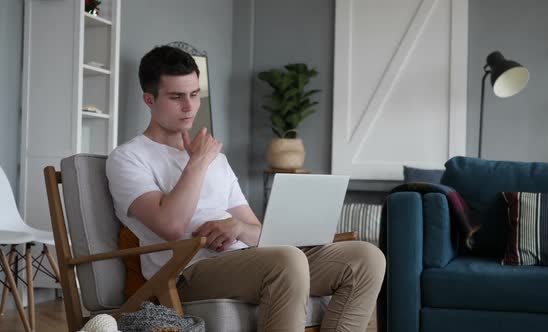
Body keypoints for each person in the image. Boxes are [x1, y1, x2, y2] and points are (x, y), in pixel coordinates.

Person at [106, 45, 385, 331]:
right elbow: (171, 226)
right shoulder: (129, 157)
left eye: (194, 95)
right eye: (176, 97)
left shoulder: (218, 160)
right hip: (184, 273)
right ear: (149, 100)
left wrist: (238, 227)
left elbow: (258, 232)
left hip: (245, 259)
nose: (189, 107)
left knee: (366, 258)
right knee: (285, 260)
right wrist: (198, 163)